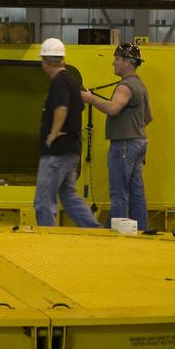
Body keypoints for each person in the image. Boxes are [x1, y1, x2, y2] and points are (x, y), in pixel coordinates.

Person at [81, 42, 152, 231]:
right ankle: (142, 231)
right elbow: (148, 117)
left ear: (128, 62)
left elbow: (113, 108)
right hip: (139, 143)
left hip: (124, 146)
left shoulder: (126, 86)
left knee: (119, 193)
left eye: (117, 59)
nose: (113, 63)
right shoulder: (140, 85)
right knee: (136, 191)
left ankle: (118, 236)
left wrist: (89, 98)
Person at [33, 37, 101, 229]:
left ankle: (48, 240)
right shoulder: (72, 81)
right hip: (72, 150)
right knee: (69, 197)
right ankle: (94, 231)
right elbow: (77, 108)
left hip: (57, 152)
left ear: (45, 62)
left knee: (44, 201)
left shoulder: (59, 83)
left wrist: (53, 133)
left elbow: (61, 108)